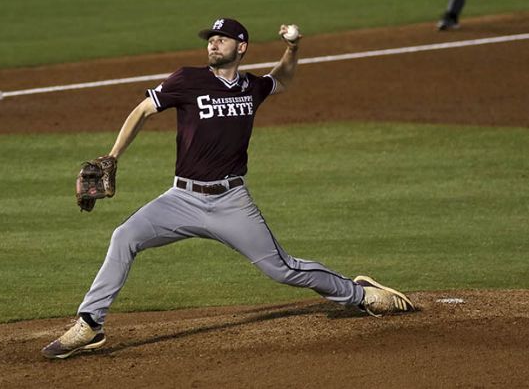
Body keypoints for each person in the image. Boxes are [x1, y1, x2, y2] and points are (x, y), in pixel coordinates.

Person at [41, 18, 415, 359]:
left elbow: (281, 80)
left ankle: (360, 293)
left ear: (241, 47)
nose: (213, 44)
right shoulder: (186, 79)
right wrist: (113, 155)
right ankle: (91, 323)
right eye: (211, 39)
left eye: (222, 39)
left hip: (231, 201)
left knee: (283, 270)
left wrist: (293, 48)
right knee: (124, 236)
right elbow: (142, 110)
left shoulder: (252, 86)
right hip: (181, 199)